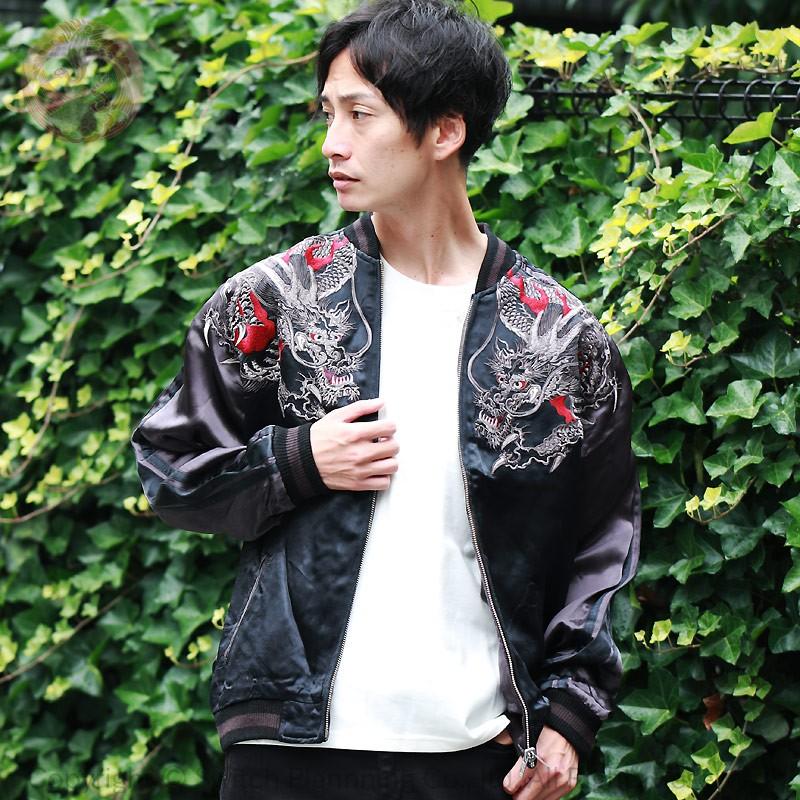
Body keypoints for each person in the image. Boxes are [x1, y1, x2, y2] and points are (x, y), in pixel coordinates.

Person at [130, 0, 641, 797]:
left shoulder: (559, 339)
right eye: (328, 113)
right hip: (289, 756)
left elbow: (602, 539)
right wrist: (297, 462)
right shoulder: (277, 304)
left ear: (445, 131)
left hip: (477, 759)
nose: (333, 142)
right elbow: (170, 469)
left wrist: (571, 713)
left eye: (361, 115)